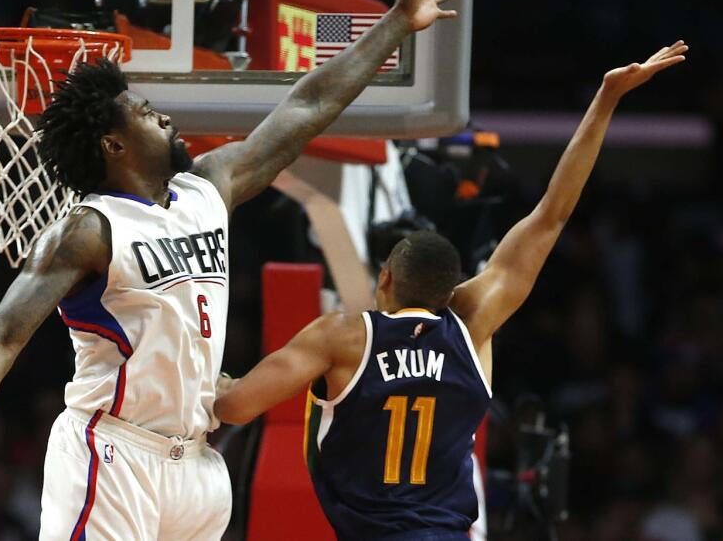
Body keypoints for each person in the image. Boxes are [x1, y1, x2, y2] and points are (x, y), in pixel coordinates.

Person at [0, 0, 458, 541]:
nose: (164, 118)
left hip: (197, 464)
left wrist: (398, 22)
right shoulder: (90, 229)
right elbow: (0, 333)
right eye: (145, 112)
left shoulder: (207, 189)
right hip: (113, 453)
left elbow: (310, 104)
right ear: (113, 147)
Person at [213, 41, 689, 540]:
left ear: (385, 278)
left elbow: (235, 409)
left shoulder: (341, 336)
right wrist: (606, 99)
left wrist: (220, 386)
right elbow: (552, 216)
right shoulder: (473, 324)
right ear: (452, 289)